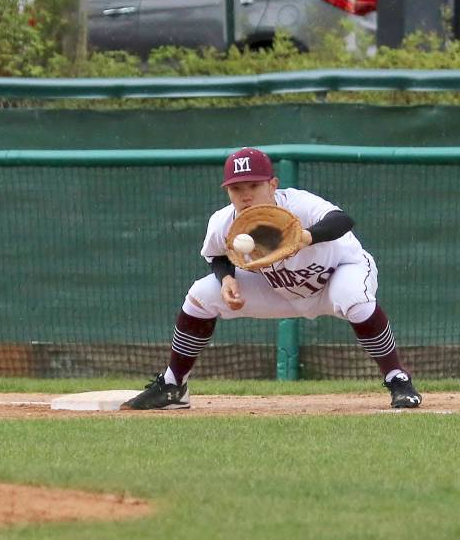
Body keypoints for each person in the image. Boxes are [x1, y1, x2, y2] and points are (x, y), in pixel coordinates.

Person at [121, 147, 423, 411]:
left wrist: (305, 236)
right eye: (237, 188)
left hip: (338, 274)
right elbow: (218, 256)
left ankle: (397, 378)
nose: (246, 194)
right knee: (201, 295)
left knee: (354, 300)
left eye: (254, 184)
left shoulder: (298, 204)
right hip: (282, 289)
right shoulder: (224, 222)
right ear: (227, 191)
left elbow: (342, 221)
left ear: (273, 184)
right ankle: (174, 385)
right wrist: (227, 280)